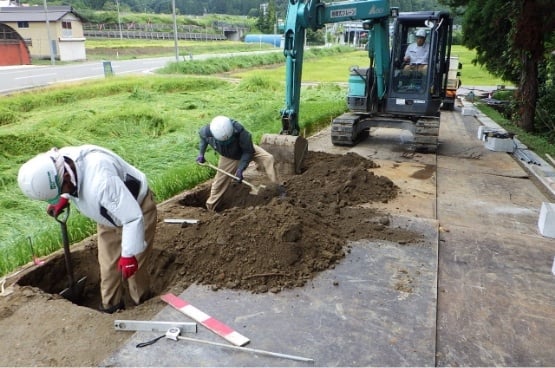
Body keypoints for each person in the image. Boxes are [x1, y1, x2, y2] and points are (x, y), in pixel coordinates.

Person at [17, 145, 157, 314]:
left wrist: (128, 255)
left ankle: (142, 306)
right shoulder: (60, 164)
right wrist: (63, 197)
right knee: (108, 266)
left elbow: (132, 218)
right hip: (106, 214)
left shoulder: (101, 181)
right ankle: (111, 307)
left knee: (134, 270)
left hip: (136, 209)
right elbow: (67, 182)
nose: (62, 192)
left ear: (67, 177)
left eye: (61, 190)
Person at [196, 115, 280, 211]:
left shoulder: (240, 131)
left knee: (269, 159)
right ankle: (211, 207)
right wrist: (201, 154)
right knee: (219, 184)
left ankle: (277, 189)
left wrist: (241, 168)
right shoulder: (206, 131)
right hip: (229, 157)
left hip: (245, 149)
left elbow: (248, 152)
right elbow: (203, 140)